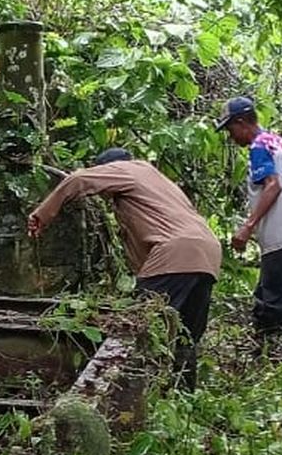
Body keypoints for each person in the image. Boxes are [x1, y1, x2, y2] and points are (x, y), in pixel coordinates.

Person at [27, 148, 221, 386]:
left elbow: (78, 179)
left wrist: (42, 215)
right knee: (185, 335)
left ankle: (127, 390)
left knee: (139, 326)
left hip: (176, 252)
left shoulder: (127, 170)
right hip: (207, 253)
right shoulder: (157, 181)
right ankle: (183, 392)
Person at [216, 96, 282, 339]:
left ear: (241, 122)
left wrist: (248, 226)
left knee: (278, 304)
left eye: (230, 129)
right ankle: (268, 348)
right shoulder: (280, 143)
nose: (231, 137)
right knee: (270, 296)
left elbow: (273, 186)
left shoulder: (259, 146)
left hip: (280, 234)